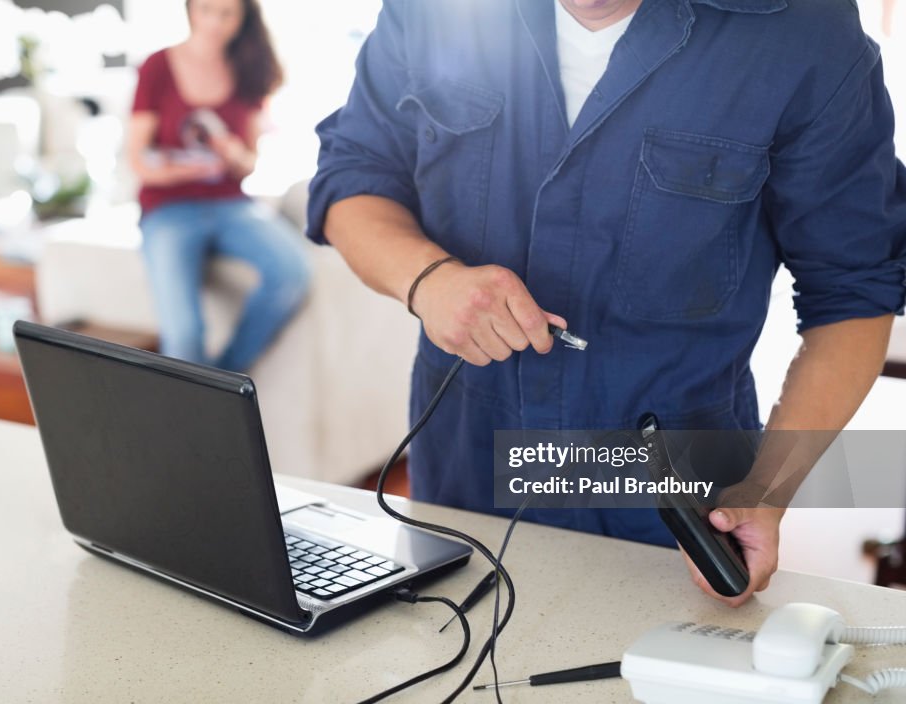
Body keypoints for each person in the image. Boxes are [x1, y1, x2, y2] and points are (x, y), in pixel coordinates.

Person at [308, 0, 906, 607]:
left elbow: (853, 291)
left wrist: (768, 486)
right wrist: (428, 280)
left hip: (672, 505)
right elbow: (352, 175)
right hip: (463, 477)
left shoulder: (805, 30)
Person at [128, 0, 309, 372]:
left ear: (242, 19)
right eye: (207, 10)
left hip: (231, 204)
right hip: (168, 208)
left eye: (227, 13)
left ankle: (221, 384)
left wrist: (233, 154)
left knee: (292, 273)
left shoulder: (250, 70)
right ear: (191, 9)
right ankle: (205, 399)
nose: (214, 22)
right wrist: (187, 171)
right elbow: (137, 160)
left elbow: (249, 164)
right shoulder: (158, 67)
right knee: (184, 332)